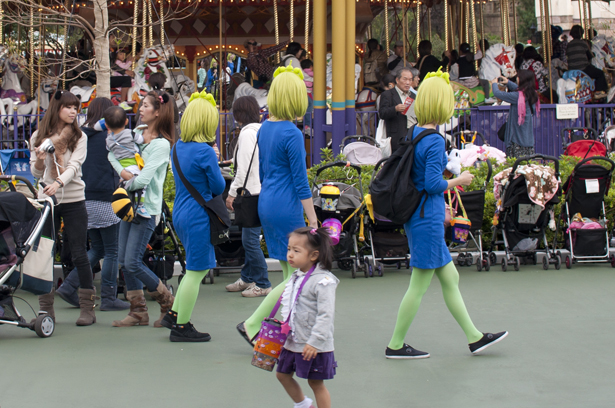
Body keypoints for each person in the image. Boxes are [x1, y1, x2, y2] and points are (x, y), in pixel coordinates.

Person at [385, 69, 508, 359]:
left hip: (421, 215)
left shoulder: (415, 132)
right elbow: (431, 183)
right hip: (427, 219)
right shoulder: (434, 139)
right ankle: (395, 345)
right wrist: (458, 181)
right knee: (419, 285)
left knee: (450, 278)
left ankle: (475, 337)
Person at [236, 64, 318, 344]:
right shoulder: (292, 133)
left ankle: (283, 327)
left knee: (288, 271)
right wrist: (314, 219)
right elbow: (301, 182)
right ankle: (252, 323)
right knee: (294, 277)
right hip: (286, 205)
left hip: (267, 202)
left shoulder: (265, 128)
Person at [157, 90, 226, 341]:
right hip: (199, 216)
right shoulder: (205, 152)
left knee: (191, 270)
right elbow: (218, 187)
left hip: (181, 212)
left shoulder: (177, 148)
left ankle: (174, 315)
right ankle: (182, 326)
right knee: (196, 272)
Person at [109, 90, 175, 328]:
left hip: (146, 210)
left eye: (145, 105)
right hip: (128, 205)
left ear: (157, 112)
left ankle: (168, 302)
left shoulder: (161, 145)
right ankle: (138, 311)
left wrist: (125, 178)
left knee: (133, 261)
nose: (140, 109)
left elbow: (143, 180)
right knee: (123, 259)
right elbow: (112, 154)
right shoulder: (135, 134)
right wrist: (122, 172)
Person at [29, 90, 97, 326]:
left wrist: (58, 183)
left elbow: (75, 167)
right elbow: (36, 173)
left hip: (73, 198)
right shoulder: (39, 136)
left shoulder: (79, 137)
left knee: (79, 252)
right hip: (46, 201)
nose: (72, 111)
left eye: (75, 108)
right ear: (56, 108)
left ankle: (88, 307)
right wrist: (39, 158)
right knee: (45, 253)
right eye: (68, 107)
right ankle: (45, 309)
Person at [55, 98, 129, 312]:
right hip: (107, 197)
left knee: (97, 248)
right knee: (112, 251)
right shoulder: (111, 137)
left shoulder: (80, 136)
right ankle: (108, 297)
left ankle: (69, 286)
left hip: (85, 198)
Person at [276, 227, 338, 408]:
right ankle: (303, 404)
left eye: (296, 251)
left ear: (313, 255)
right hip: (293, 340)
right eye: (289, 249)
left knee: (316, 383)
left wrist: (316, 341)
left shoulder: (324, 281)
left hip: (313, 344)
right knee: (282, 375)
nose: (290, 255)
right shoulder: (296, 276)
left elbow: (326, 314)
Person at [225, 96, 272, 298]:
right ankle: (248, 276)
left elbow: (243, 169)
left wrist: (231, 194)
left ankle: (262, 281)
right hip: (261, 190)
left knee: (250, 241)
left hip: (250, 193)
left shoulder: (246, 135)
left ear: (238, 114)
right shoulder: (260, 131)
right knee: (249, 239)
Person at [105, 106, 150, 218]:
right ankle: (140, 206)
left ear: (106, 125)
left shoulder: (108, 140)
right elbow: (141, 140)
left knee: (128, 184)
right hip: (133, 164)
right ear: (126, 121)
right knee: (143, 185)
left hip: (122, 165)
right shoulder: (130, 133)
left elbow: (109, 150)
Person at [491, 70, 539, 158]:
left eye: (518, 76)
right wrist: (508, 83)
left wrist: (494, 84)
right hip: (527, 139)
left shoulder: (517, 96)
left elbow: (497, 93)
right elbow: (518, 89)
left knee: (515, 166)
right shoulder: (531, 93)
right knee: (526, 166)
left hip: (517, 139)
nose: (517, 78)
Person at [378, 67, 417, 153]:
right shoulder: (388, 94)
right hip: (397, 137)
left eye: (410, 80)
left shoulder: (413, 96)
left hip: (413, 134)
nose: (408, 83)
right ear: (397, 80)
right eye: (405, 79)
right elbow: (382, 113)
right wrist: (395, 109)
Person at [566, 24, 608, 95]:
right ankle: (599, 92)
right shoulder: (583, 43)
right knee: (600, 73)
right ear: (580, 34)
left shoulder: (569, 44)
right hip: (583, 68)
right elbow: (590, 56)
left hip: (571, 69)